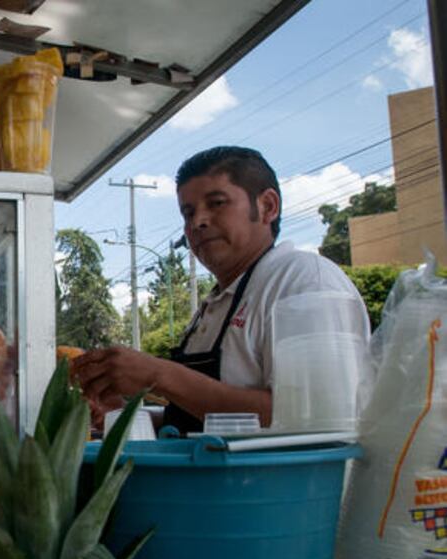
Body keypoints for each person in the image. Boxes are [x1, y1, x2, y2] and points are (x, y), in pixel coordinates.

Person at [73, 146, 368, 434]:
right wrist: (120, 416)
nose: (197, 222)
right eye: (187, 213)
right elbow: (200, 423)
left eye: (216, 203)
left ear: (268, 206)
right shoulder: (212, 307)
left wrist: (157, 375)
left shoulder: (302, 280)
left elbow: (317, 416)